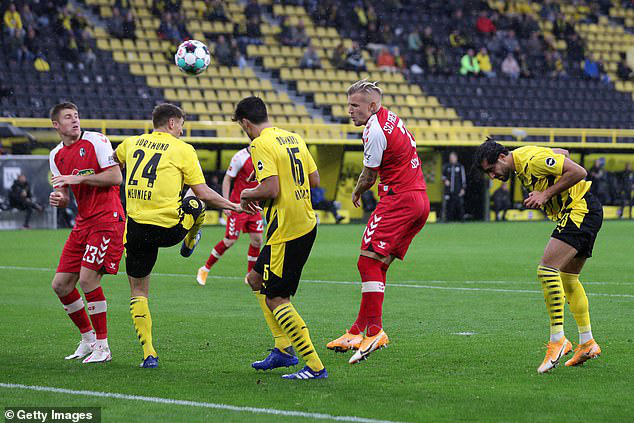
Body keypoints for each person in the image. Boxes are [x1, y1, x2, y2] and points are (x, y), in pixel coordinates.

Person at [113, 103, 248, 368]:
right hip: (170, 230)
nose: (183, 129)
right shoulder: (183, 149)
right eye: (182, 124)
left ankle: (149, 353)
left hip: (137, 229)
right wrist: (231, 205)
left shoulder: (131, 143)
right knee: (195, 204)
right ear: (173, 123)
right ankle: (191, 240)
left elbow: (112, 164)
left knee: (139, 291)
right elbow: (203, 191)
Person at [474, 138, 602, 373]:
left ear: (502, 157)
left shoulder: (531, 160)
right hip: (585, 211)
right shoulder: (523, 160)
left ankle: (558, 339)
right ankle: (587, 342)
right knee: (568, 279)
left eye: (492, 170)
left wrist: (546, 194)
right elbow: (562, 152)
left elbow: (579, 171)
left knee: (547, 270)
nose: (492, 176)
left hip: (579, 210)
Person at [327, 80, 430, 364]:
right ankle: (357, 331)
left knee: (367, 262)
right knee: (379, 264)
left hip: (399, 200)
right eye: (348, 105)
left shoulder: (373, 129)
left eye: (355, 105)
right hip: (418, 200)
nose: (349, 111)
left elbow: (369, 175)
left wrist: (357, 190)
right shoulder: (391, 118)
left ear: (372, 106)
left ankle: (374, 331)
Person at [236, 96, 327, 380]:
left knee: (277, 298)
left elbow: (272, 189)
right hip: (304, 221)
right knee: (255, 279)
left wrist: (246, 193)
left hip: (287, 228)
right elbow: (314, 180)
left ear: (245, 123)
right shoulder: (293, 138)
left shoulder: (259, 143)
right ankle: (283, 350)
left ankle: (314, 366)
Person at [48, 102, 125, 364]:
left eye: (77, 116)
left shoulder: (97, 141)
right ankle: (88, 340)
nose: (75, 120)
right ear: (56, 125)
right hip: (83, 222)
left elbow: (116, 177)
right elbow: (66, 196)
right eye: (68, 117)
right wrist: (60, 198)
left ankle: (103, 347)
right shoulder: (55, 155)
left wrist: (77, 179)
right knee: (60, 284)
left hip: (107, 218)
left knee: (88, 279)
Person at [197, 147, 264, 286]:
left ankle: (249, 275)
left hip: (254, 207)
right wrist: (226, 203)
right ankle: (205, 268)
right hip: (238, 206)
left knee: (257, 240)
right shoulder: (241, 156)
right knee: (229, 241)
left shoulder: (265, 155)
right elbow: (227, 179)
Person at [442, 152, 466, 222]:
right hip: (449, 191)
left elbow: (463, 178)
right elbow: (443, 176)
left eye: (453, 157)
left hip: (458, 191)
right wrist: (445, 180)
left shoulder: (460, 166)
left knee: (460, 206)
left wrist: (463, 188)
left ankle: (462, 220)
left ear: (456, 158)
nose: (451, 159)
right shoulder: (447, 166)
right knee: (449, 206)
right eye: (450, 158)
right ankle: (448, 221)